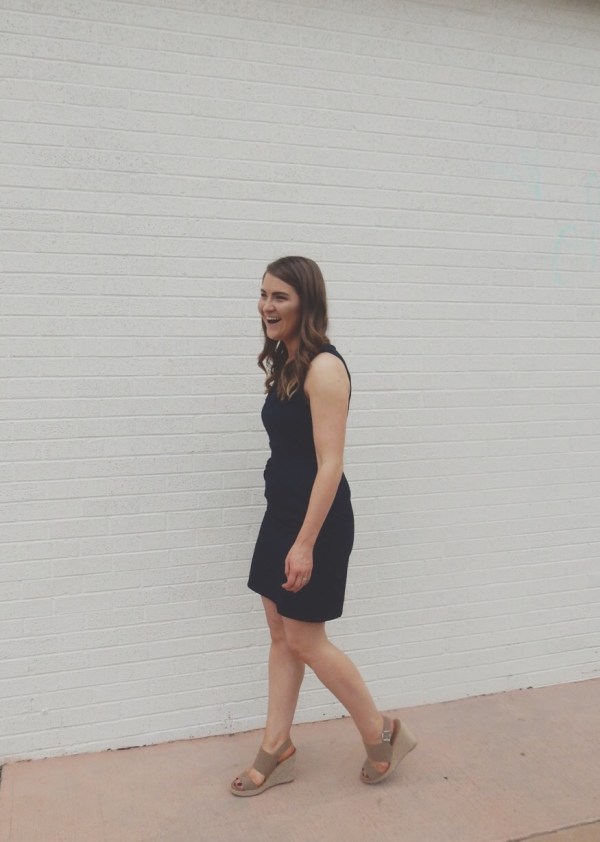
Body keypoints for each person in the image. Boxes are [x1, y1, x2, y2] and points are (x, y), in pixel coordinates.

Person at [230, 256, 416, 796]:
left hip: (316, 521)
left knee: (306, 639)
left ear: (306, 302)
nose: (267, 306)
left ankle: (382, 732)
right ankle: (277, 747)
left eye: (280, 296)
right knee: (280, 635)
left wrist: (305, 543)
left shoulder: (324, 368)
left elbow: (330, 463)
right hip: (281, 513)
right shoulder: (288, 363)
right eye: (263, 294)